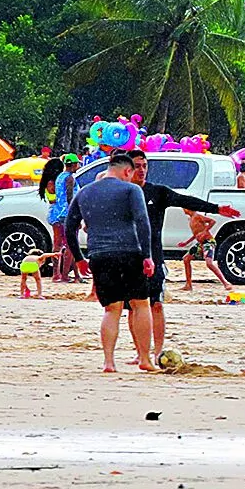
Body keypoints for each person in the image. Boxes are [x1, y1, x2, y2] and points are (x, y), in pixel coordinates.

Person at [132, 150, 236, 364]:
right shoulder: (122, 193)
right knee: (134, 306)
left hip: (155, 257)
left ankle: (157, 351)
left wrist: (216, 208)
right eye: (137, 166)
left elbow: (185, 199)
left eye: (144, 165)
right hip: (129, 256)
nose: (141, 170)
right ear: (127, 169)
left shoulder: (157, 192)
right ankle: (140, 352)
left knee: (156, 304)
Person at [67, 150, 156, 373]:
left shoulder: (85, 192)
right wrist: (147, 255)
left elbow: (70, 227)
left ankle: (109, 362)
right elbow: (143, 222)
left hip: (99, 254)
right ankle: (145, 358)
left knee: (111, 309)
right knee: (140, 304)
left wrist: (79, 258)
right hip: (129, 252)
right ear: (127, 171)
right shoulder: (131, 189)